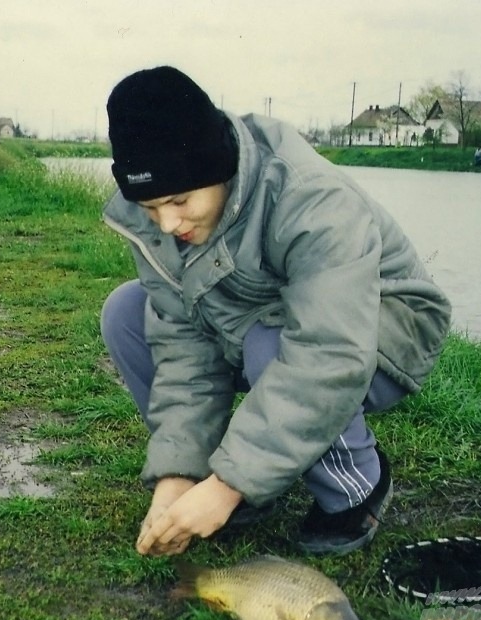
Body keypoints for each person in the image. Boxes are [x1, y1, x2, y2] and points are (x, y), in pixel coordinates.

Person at [100, 66, 451, 558]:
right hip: (262, 317)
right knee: (126, 312)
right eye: (151, 207)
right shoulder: (160, 218)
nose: (167, 222)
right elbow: (183, 351)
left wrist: (228, 489)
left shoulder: (310, 198)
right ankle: (227, 473)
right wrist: (179, 477)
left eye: (179, 200)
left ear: (217, 168)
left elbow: (328, 351)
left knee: (274, 345)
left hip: (385, 326)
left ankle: (355, 489)